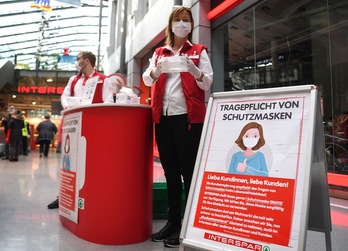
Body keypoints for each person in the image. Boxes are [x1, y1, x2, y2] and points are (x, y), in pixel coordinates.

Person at [142, 6, 213, 248]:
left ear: (191, 25)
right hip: (164, 118)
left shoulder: (198, 51)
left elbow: (207, 83)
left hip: (188, 119)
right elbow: (146, 79)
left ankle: (190, 224)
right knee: (170, 173)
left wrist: (194, 70)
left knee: (189, 173)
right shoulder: (159, 52)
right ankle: (173, 222)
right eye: (178, 20)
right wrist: (156, 69)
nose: (183, 23)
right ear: (171, 24)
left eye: (186, 20)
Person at [48, 51, 113, 209]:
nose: (76, 62)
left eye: (78, 59)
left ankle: (90, 195)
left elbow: (109, 101)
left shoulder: (103, 80)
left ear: (87, 61)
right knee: (69, 163)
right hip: (73, 126)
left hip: (94, 127)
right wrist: (69, 108)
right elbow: (64, 96)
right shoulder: (74, 79)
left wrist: (92, 111)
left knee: (91, 162)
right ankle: (65, 196)